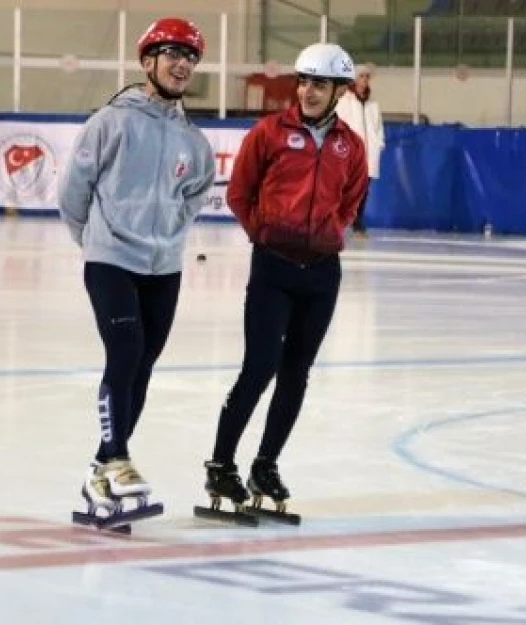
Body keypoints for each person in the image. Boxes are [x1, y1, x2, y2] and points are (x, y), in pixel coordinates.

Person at [201, 42, 368, 518]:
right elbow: (239, 192)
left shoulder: (349, 146)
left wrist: (331, 232)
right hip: (273, 266)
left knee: (296, 373)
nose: (309, 92)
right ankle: (220, 463)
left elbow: (352, 200)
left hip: (321, 273)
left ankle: (265, 465)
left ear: (339, 91)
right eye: (304, 82)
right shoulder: (270, 133)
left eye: (320, 84)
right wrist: (265, 233)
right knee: (259, 368)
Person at [59, 17, 215, 517]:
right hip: (111, 260)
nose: (182, 64)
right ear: (148, 61)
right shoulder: (110, 122)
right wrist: (96, 243)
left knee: (141, 365)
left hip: (163, 267)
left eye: (189, 57)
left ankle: (103, 470)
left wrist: (167, 236)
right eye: (172, 54)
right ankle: (119, 458)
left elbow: (194, 196)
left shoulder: (194, 141)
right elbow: (72, 192)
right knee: (124, 351)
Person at [334, 64, 385, 237]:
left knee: (363, 190)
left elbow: (378, 129)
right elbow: (338, 126)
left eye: (367, 77)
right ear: (355, 79)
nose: (364, 80)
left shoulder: (373, 105)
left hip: (369, 154)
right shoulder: (344, 102)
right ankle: (337, 220)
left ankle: (358, 222)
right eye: (361, 76)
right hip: (349, 155)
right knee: (344, 188)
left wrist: (379, 144)